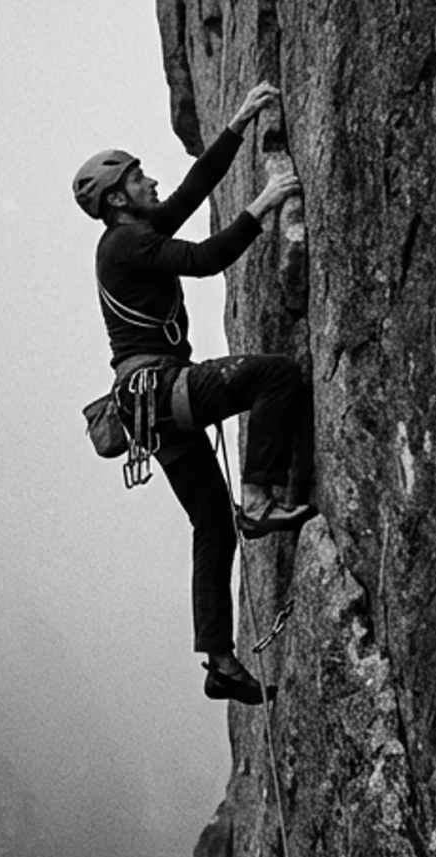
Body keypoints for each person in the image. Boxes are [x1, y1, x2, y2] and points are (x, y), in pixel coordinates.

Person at [73, 82, 315, 705]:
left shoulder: (132, 235)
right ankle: (260, 497)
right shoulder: (125, 242)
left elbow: (188, 195)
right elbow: (206, 259)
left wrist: (234, 127)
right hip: (164, 391)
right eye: (139, 177)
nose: (151, 182)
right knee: (277, 375)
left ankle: (220, 660)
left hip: (150, 408)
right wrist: (264, 205)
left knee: (212, 523)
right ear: (118, 198)